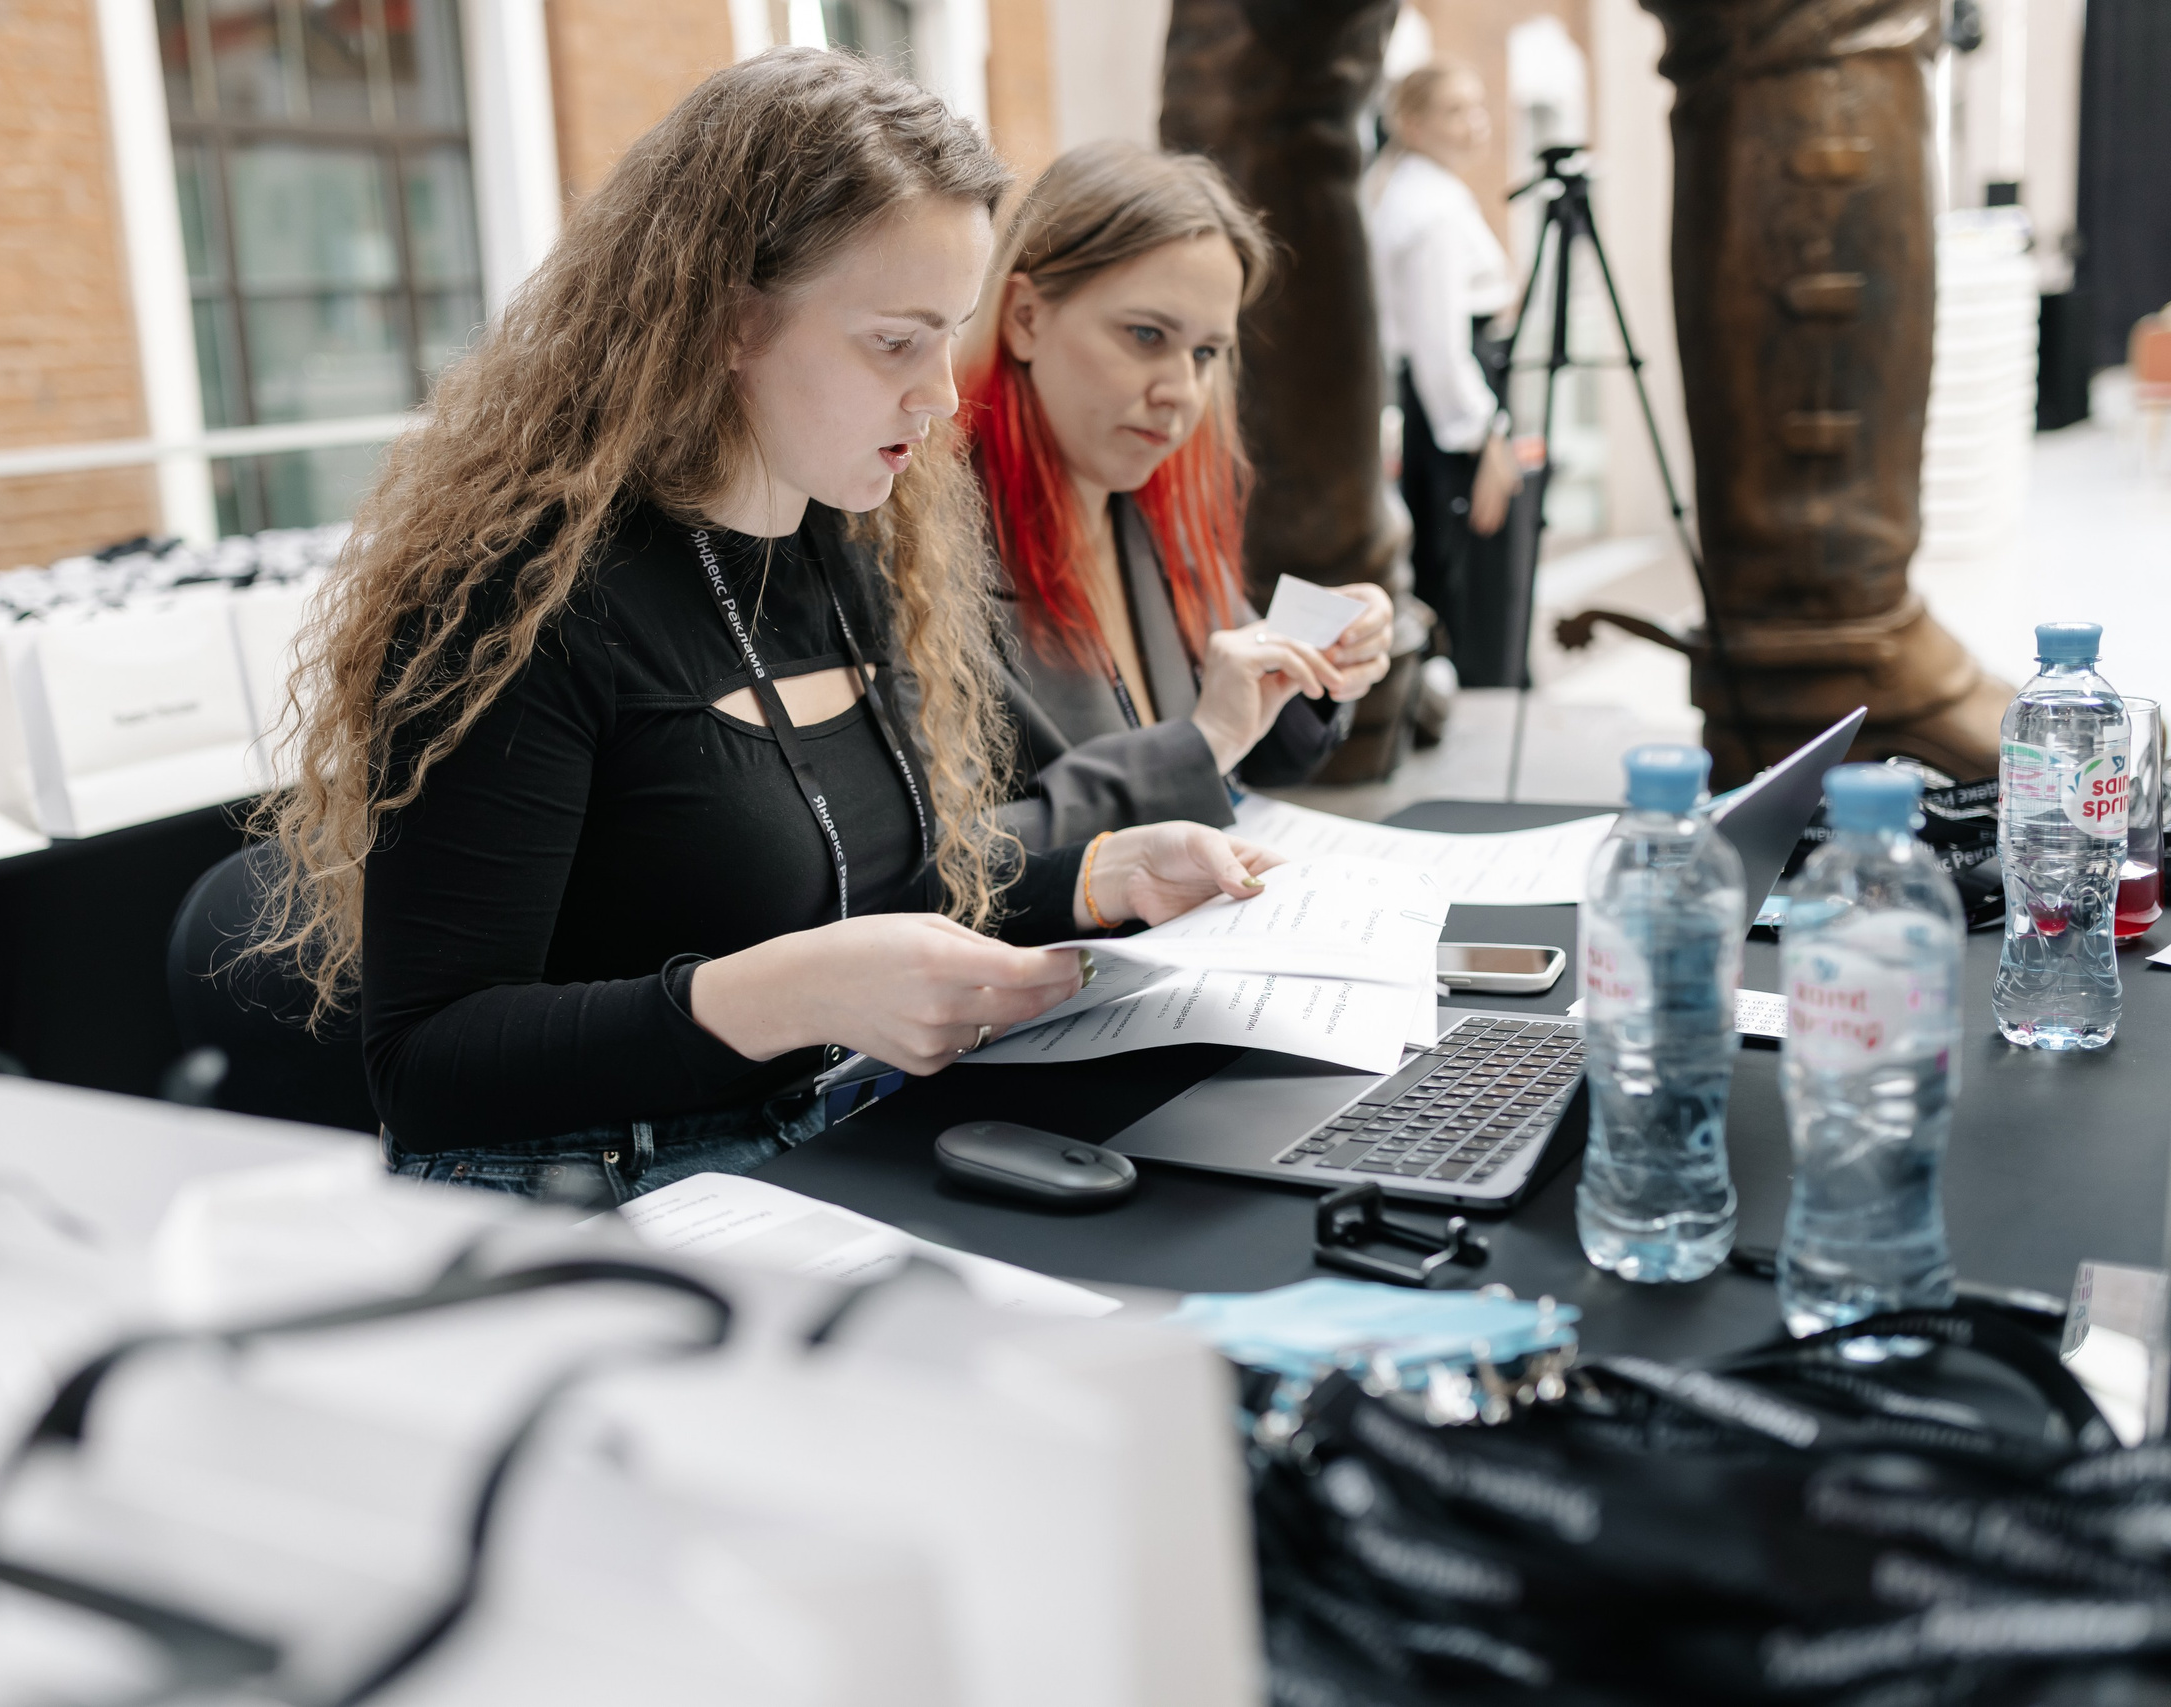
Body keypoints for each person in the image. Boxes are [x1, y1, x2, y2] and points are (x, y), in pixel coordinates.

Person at [253, 51, 1279, 1202]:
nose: (943, 391)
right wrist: (774, 999)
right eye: (895, 341)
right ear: (733, 322)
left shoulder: (845, 539)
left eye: (950, 333)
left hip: (830, 1153)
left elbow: (854, 885)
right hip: (611, 1209)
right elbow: (429, 1069)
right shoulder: (517, 596)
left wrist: (1090, 876)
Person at [963, 142, 1396, 850]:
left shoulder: (1158, 511)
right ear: (1025, 318)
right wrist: (1202, 743)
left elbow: (1263, 748)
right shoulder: (928, 553)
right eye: (1145, 335)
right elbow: (942, 862)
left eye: (1204, 354)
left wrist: (1319, 652)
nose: (1182, 393)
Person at [1366, 59, 1523, 678]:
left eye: (1477, 107)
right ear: (1412, 123)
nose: (1473, 125)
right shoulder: (1426, 210)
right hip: (1454, 420)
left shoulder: (1421, 192)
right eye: (1454, 111)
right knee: (1472, 597)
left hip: (1451, 410)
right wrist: (1485, 441)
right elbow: (1438, 348)